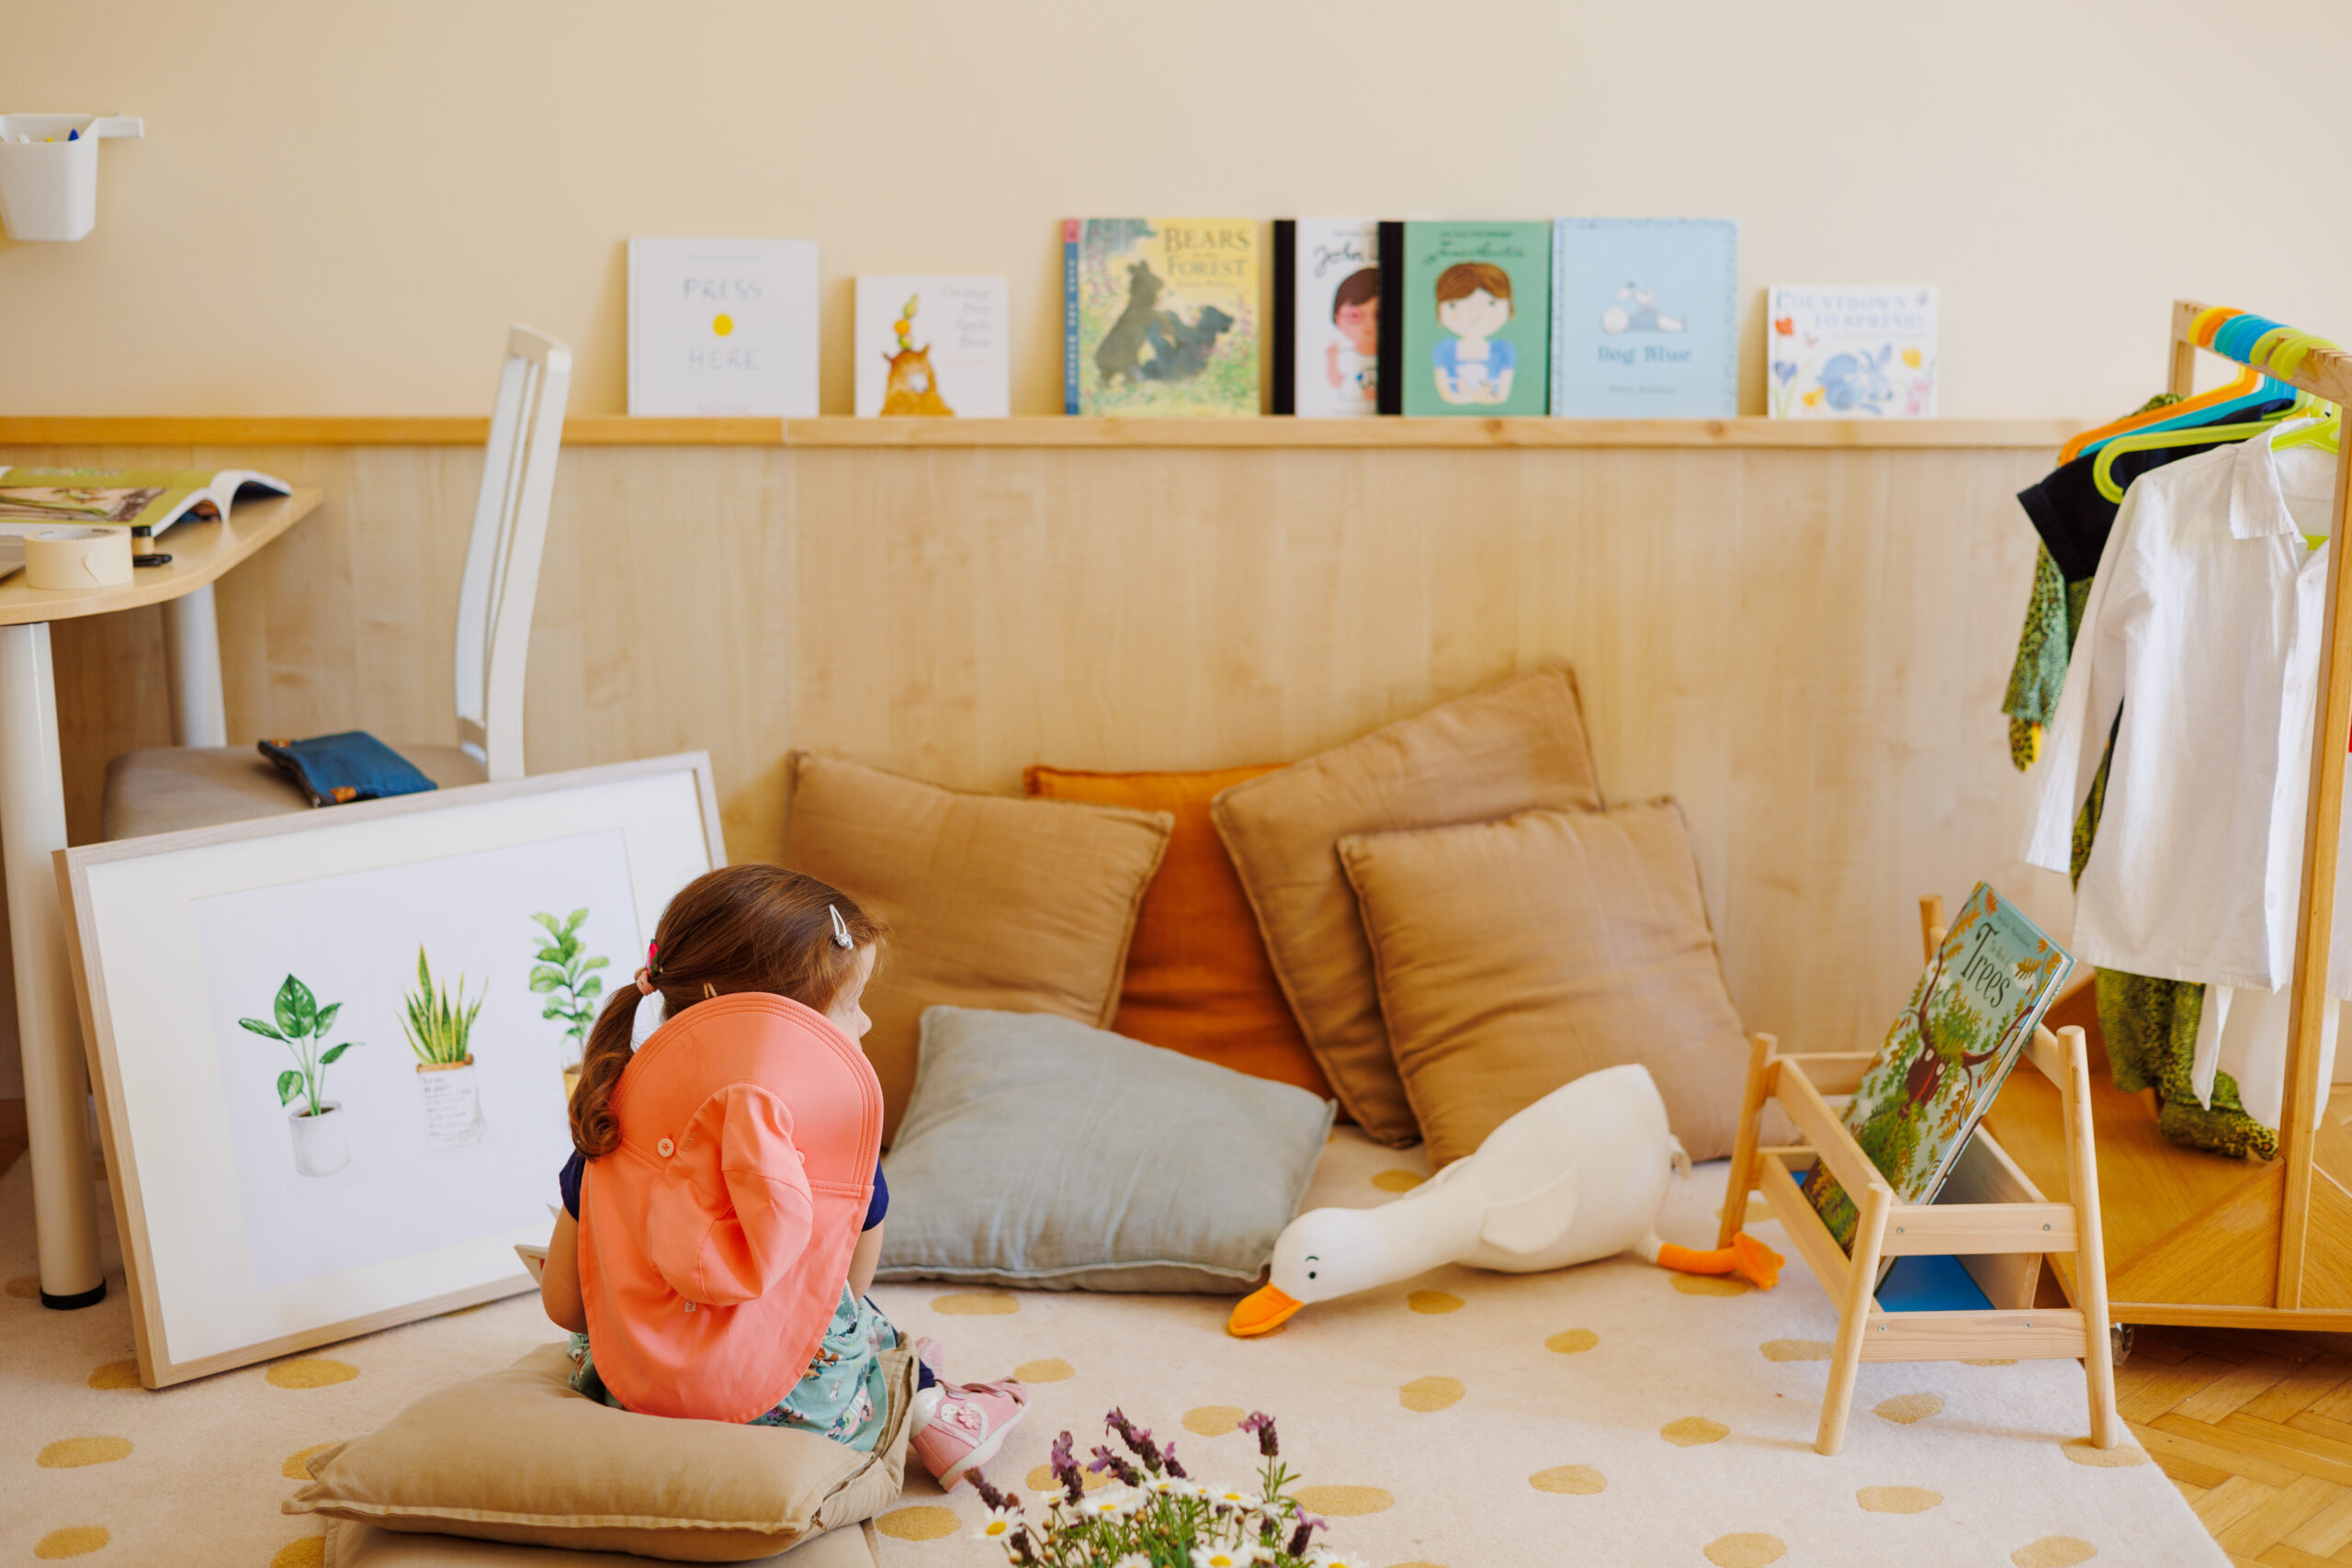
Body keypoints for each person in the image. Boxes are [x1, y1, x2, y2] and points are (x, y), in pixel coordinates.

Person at [537, 863, 1025, 1487]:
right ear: (780, 1026)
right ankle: (932, 1406)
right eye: (850, 1005)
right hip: (812, 1417)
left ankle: (906, 1372)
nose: (866, 1023)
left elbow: (564, 1304)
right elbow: (847, 1289)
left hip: (636, 1401)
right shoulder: (837, 1144)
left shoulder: (612, 1123)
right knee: (858, 1315)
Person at [1430, 261, 1516, 406]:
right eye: (1453, 305)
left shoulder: (1503, 350)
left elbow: (1501, 396)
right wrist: (1476, 396)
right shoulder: (1445, 349)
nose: (1474, 315)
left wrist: (1473, 396)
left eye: (1491, 303)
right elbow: (1447, 395)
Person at [1324, 265, 1381, 405]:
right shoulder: (1345, 356)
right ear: (1337, 318)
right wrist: (1331, 358)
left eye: (1378, 315)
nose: (1368, 325)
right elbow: (1335, 381)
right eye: (1354, 316)